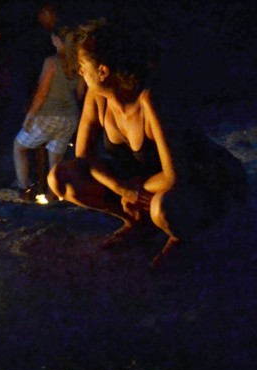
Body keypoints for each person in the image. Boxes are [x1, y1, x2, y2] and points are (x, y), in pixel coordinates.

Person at [48, 22, 246, 267]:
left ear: (103, 71)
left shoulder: (150, 99)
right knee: (62, 178)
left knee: (163, 207)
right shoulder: (97, 98)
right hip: (149, 181)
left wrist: (135, 187)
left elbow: (176, 175)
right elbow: (84, 158)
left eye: (82, 66)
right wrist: (122, 189)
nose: (79, 72)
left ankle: (178, 238)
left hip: (203, 179)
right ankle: (138, 224)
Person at [13, 28, 84, 198]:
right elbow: (80, 93)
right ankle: (53, 197)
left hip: (49, 115)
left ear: (57, 40)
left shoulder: (52, 61)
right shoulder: (80, 62)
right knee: (55, 161)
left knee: (19, 147)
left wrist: (30, 115)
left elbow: (41, 93)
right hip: (70, 117)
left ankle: (25, 189)